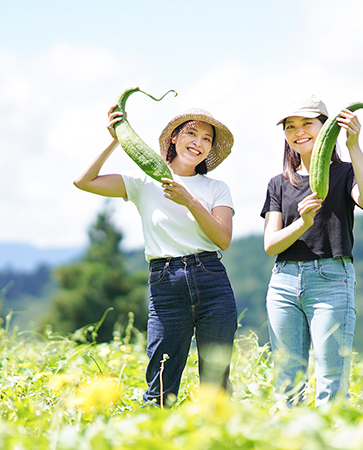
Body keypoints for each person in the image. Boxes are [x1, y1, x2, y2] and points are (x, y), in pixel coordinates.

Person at [74, 105, 238, 407]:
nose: (198, 142)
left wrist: (189, 200)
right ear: (174, 138)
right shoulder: (145, 182)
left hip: (211, 279)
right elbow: (84, 181)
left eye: (206, 139)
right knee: (160, 382)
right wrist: (114, 140)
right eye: (191, 133)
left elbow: (222, 238)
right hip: (165, 282)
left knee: (216, 385)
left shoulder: (217, 188)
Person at [260, 95, 363, 407]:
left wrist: (354, 144)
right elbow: (270, 244)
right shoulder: (278, 183)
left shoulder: (344, 174)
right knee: (288, 385)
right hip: (283, 283)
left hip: (331, 280)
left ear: (325, 128)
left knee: (332, 385)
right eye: (290, 127)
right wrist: (302, 223)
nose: (298, 131)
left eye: (306, 124)